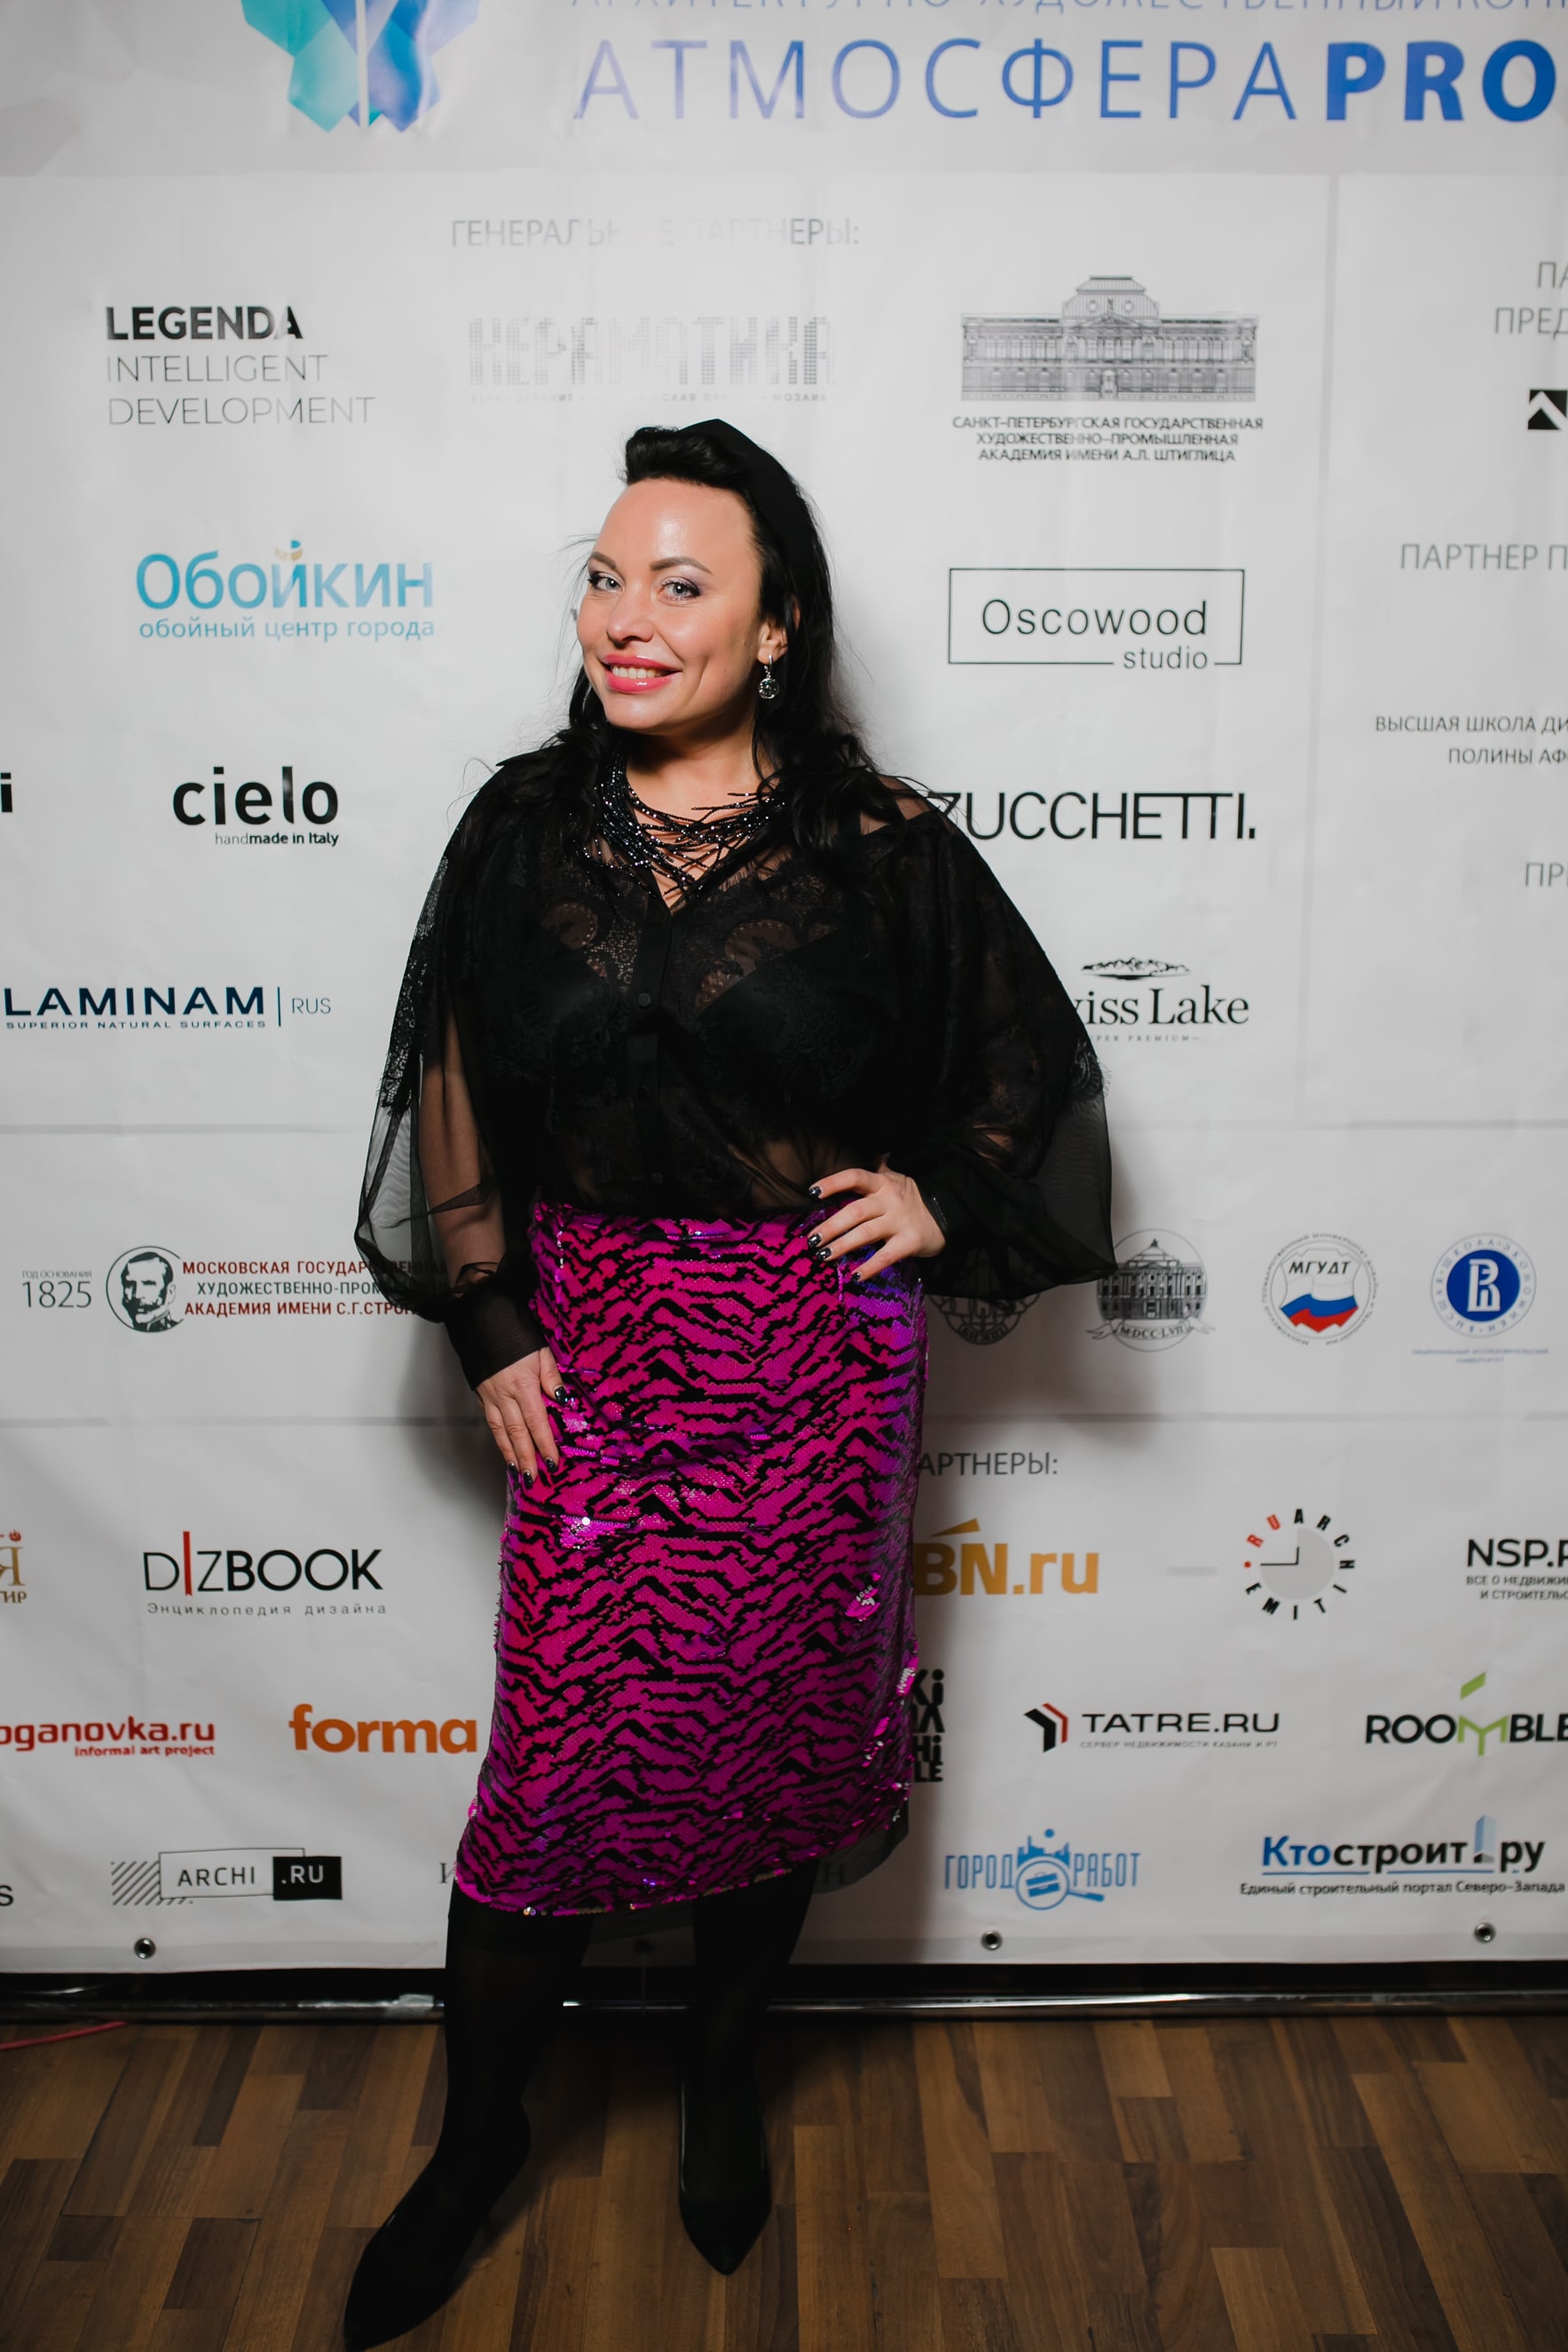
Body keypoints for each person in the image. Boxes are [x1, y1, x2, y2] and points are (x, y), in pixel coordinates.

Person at [349, 419, 1114, 2347]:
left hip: (810, 1370)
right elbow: (449, 1073)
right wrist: (491, 1317)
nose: (628, 615)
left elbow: (1029, 1063)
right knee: (547, 1784)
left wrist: (940, 1194)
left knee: (771, 1742)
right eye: (606, 577)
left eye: (680, 583)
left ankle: (714, 2081)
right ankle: (474, 2144)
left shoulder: (880, 847)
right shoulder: (521, 824)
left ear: (776, 629)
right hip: (594, 1358)